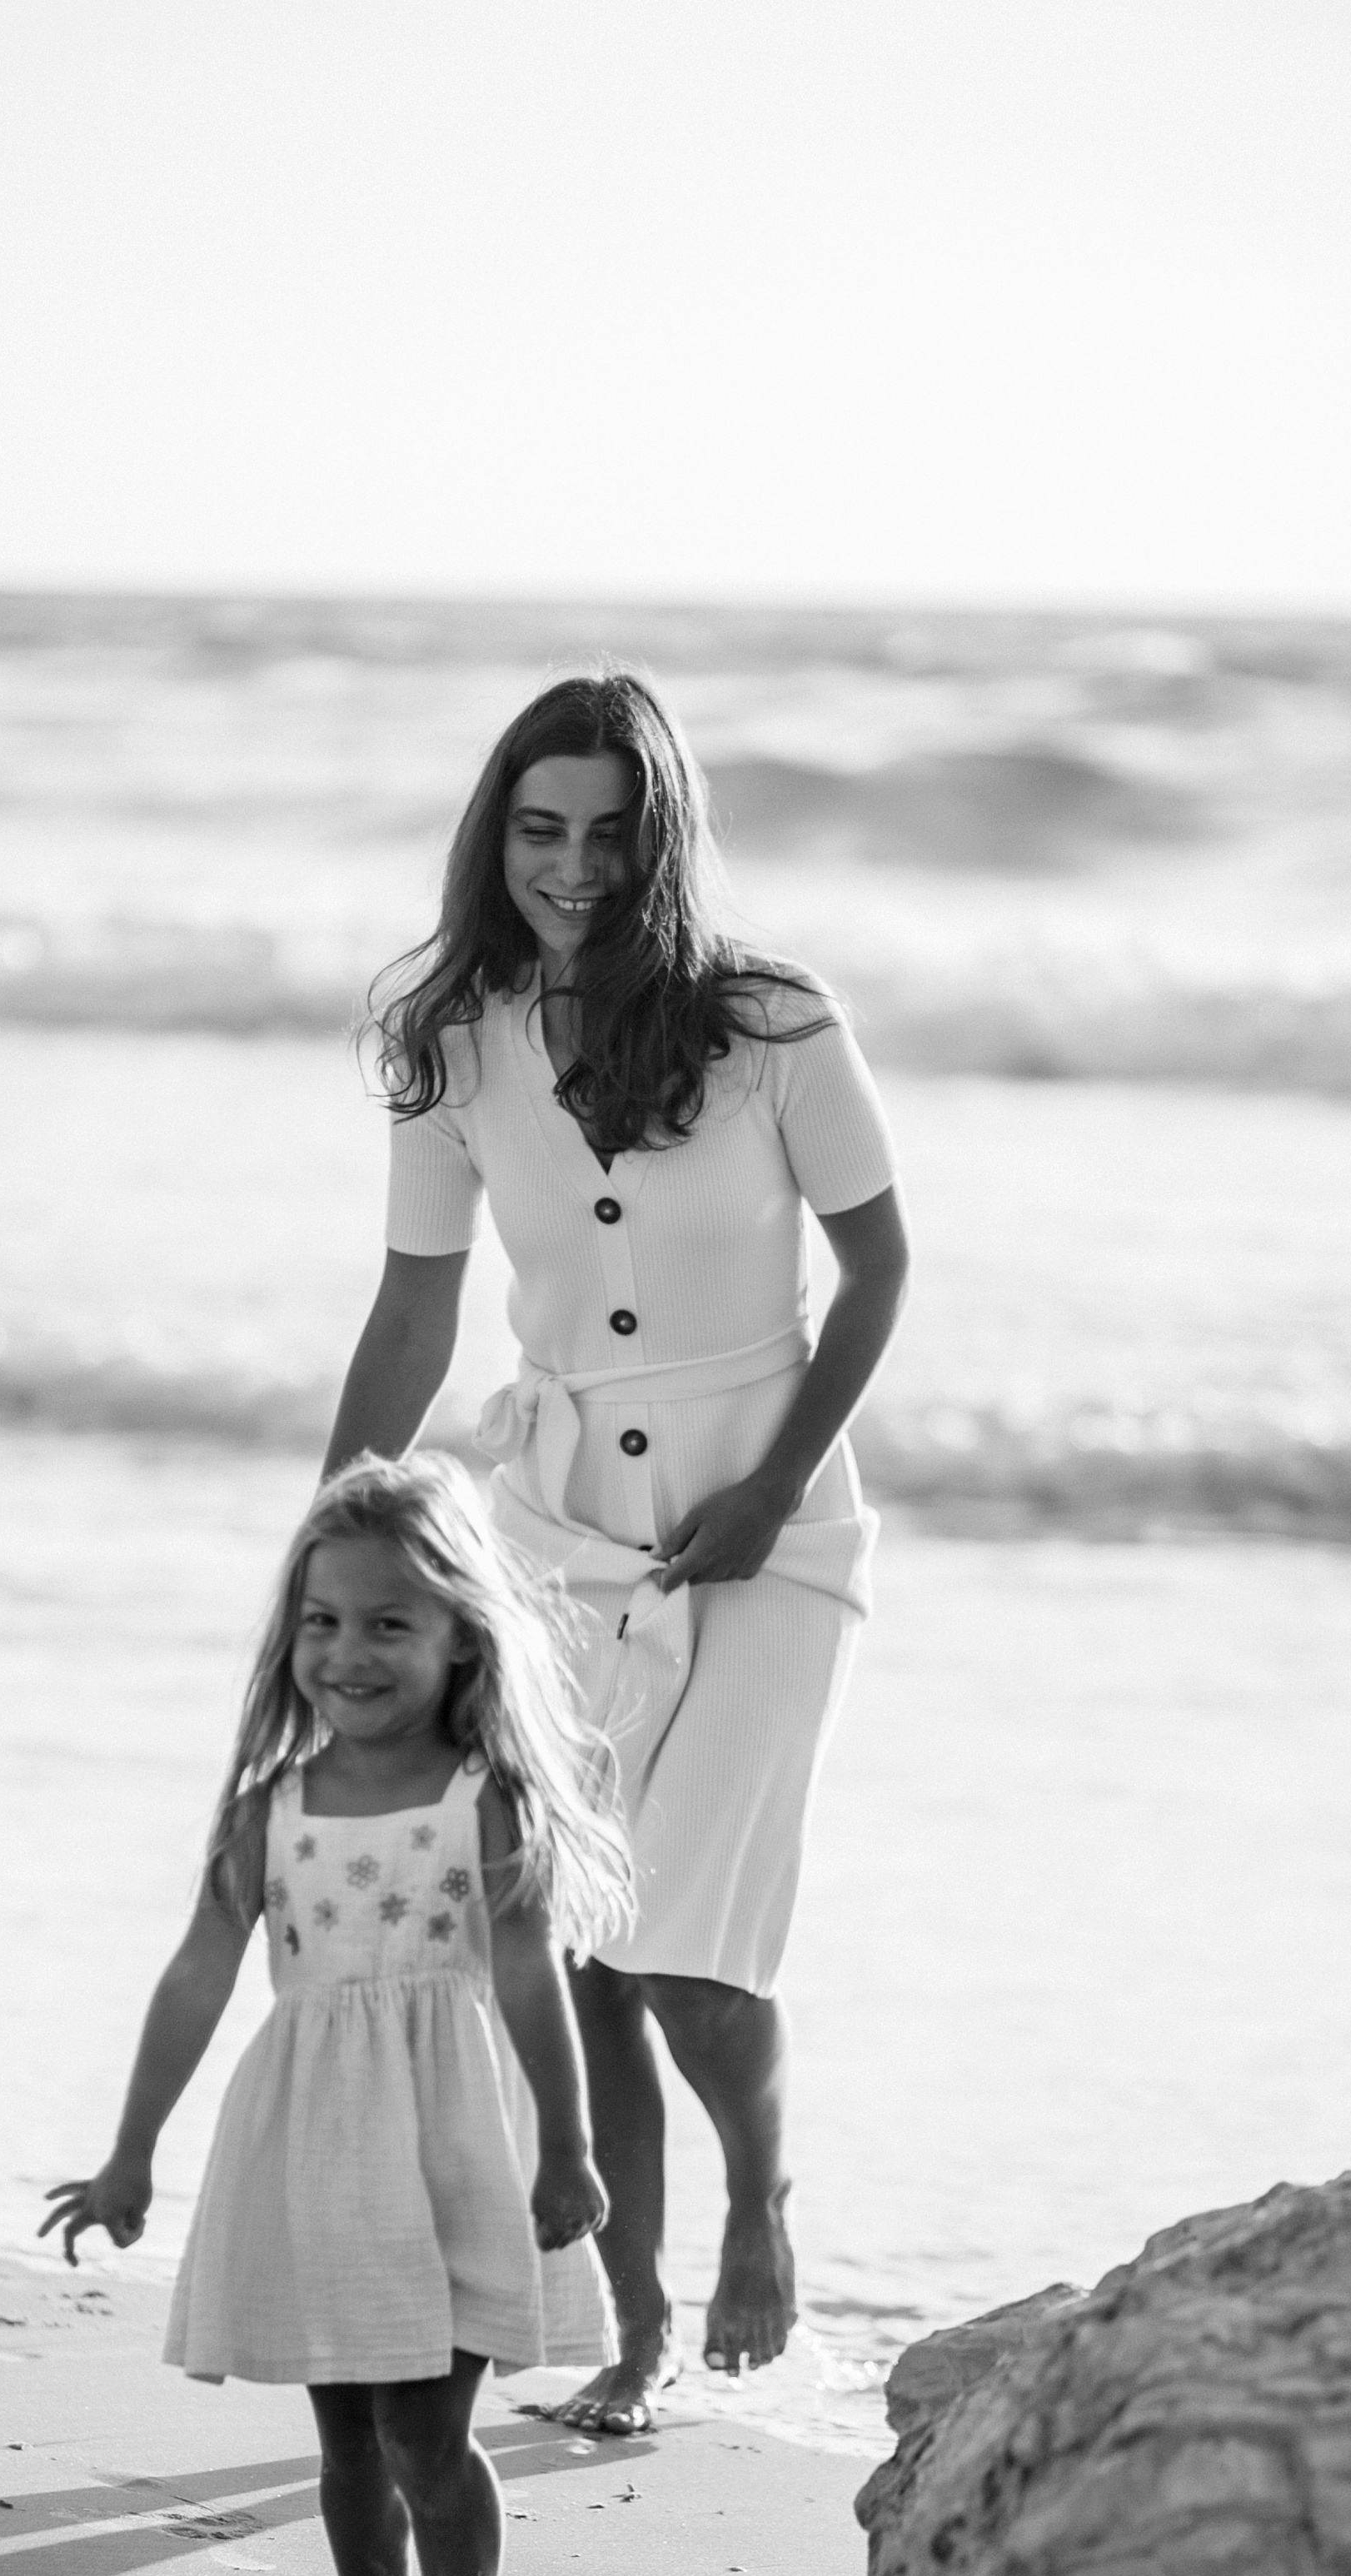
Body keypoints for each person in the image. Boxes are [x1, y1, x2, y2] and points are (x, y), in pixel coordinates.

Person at [323, 669, 911, 2437]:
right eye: (535, 828)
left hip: (770, 1532)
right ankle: (638, 2336)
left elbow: (879, 1271)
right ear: (493, 835)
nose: (568, 866)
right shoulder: (449, 1039)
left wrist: (774, 1487)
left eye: (603, 832)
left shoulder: (772, 1023)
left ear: (655, 841)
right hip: (553, 1533)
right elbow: (414, 1311)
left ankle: (763, 2203)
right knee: (578, 1950)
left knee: (685, 1957)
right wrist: (338, 1524)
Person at [42, 1452, 631, 2576]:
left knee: (431, 2433)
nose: (346, 1652)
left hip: (456, 2145)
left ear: (462, 1641)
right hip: (315, 2148)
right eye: (322, 1620)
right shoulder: (271, 1806)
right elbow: (198, 1974)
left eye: (387, 1623)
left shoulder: (489, 1803)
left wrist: (572, 2146)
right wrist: (131, 2152)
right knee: (348, 2436)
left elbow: (533, 1979)